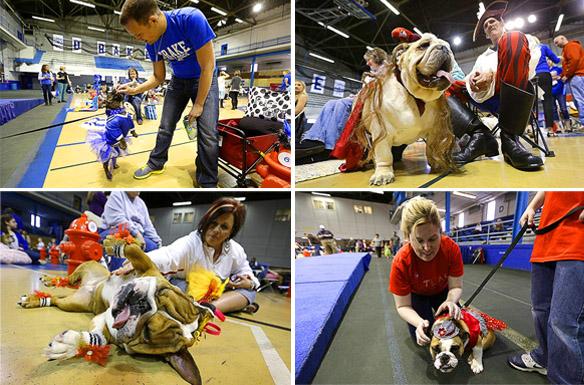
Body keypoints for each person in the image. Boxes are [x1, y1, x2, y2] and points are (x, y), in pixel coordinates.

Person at [118, 0, 220, 187]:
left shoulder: (190, 19)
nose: (138, 39)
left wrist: (198, 105)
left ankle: (208, 181)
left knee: (208, 134)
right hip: (178, 81)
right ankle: (156, 162)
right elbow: (158, 77)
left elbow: (208, 67)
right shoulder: (152, 43)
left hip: (204, 79)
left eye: (139, 34)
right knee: (165, 126)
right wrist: (135, 89)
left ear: (152, 20)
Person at [114, 198, 260, 314]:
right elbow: (167, 255)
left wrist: (249, 282)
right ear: (207, 221)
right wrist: (139, 261)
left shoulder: (235, 250)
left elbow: (246, 272)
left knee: (250, 291)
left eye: (224, 227)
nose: (216, 230)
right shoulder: (190, 243)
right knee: (178, 287)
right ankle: (225, 306)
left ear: (231, 232)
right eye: (213, 223)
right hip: (188, 291)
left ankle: (209, 309)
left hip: (212, 297)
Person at [454, 1, 543, 171]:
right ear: (486, 34)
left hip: (514, 95)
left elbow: (529, 68)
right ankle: (480, 136)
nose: (489, 24)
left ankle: (509, 140)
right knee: (444, 85)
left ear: (502, 23)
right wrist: (472, 80)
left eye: (493, 20)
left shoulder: (525, 39)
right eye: (486, 25)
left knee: (513, 39)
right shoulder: (482, 57)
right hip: (487, 98)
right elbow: (469, 78)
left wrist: (493, 75)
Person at [507, 192, 584, 384]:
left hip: (578, 236)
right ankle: (544, 357)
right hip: (546, 239)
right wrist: (532, 206)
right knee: (540, 310)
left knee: (565, 323)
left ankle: (566, 379)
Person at [389, 197, 464, 345]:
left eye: (432, 239)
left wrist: (450, 301)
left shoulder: (451, 249)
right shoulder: (401, 262)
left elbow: (455, 286)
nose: (427, 248)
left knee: (457, 329)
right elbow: (403, 306)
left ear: (440, 232)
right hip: (417, 296)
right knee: (427, 334)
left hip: (443, 293)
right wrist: (418, 323)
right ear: (407, 237)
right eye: (419, 240)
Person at [553, 35, 584, 125]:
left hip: (576, 76)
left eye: (557, 42)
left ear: (563, 38)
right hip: (577, 76)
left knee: (579, 100)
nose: (556, 45)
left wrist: (567, 75)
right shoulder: (569, 48)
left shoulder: (570, 46)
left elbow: (574, 60)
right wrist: (562, 75)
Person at [535, 44, 561, 135]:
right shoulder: (543, 46)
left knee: (531, 103)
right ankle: (550, 129)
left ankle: (530, 128)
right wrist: (560, 59)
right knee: (547, 101)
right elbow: (556, 60)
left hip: (532, 76)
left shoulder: (527, 48)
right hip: (545, 74)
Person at [548, 59, 572, 133]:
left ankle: (568, 126)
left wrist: (558, 77)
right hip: (550, 92)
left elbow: (563, 77)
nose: (548, 62)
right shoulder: (545, 71)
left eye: (549, 60)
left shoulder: (558, 69)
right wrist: (554, 77)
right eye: (546, 60)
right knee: (553, 110)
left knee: (563, 108)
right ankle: (558, 127)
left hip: (560, 91)